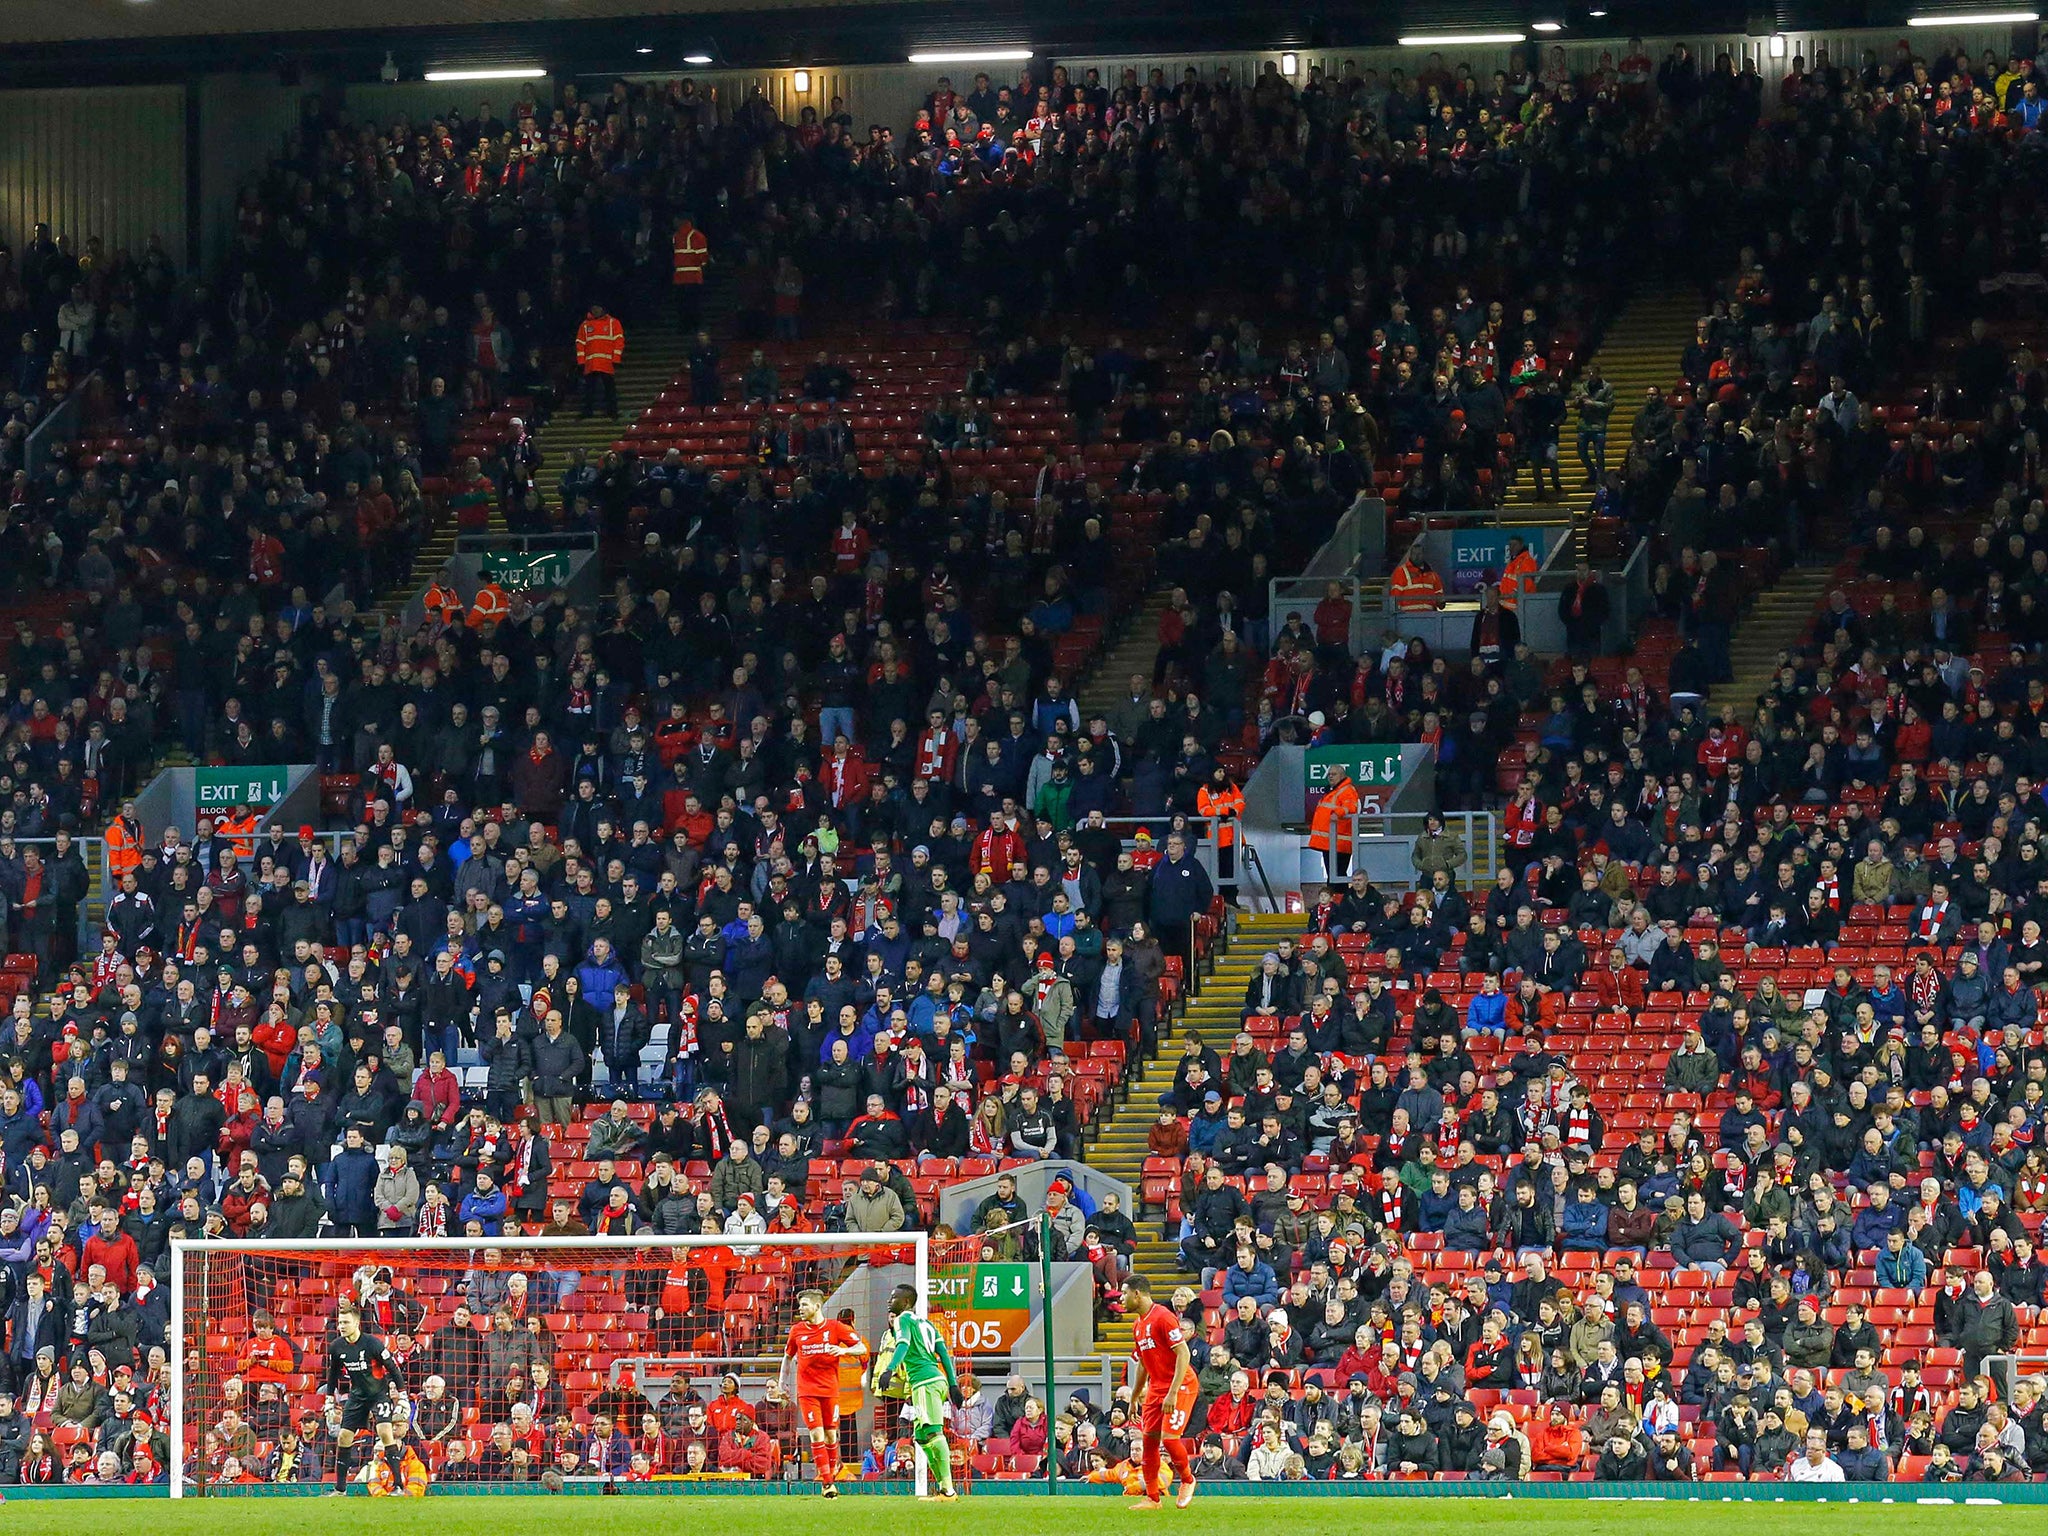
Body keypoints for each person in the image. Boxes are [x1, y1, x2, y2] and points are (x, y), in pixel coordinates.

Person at [871, 1282, 960, 1499]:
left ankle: (948, 1489)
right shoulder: (928, 1324)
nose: (889, 1301)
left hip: (924, 1382)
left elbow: (903, 1343)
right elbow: (944, 1354)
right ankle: (943, 1488)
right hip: (936, 1381)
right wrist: (953, 1384)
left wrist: (889, 1370)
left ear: (906, 1302)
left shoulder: (903, 1319)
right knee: (921, 1437)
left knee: (934, 1433)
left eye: (894, 1298)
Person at [783, 1286, 867, 1494]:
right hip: (807, 1391)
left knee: (831, 1435)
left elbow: (862, 1348)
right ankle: (827, 1483)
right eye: (799, 1305)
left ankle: (832, 1474)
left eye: (804, 1305)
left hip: (830, 1391)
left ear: (817, 1306)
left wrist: (843, 1349)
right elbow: (787, 1357)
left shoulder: (835, 1328)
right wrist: (782, 1380)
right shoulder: (797, 1331)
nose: (800, 1309)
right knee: (816, 1433)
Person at [1125, 1271, 1198, 1510]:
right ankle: (1153, 1499)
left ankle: (1187, 1480)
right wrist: (1135, 1395)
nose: (1122, 1299)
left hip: (1181, 1384)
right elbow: (1143, 1363)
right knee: (1149, 1441)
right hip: (1156, 1387)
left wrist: (1173, 1392)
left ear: (1137, 1294)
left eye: (1125, 1294)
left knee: (1169, 1438)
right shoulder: (1138, 1324)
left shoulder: (1163, 1317)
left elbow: (1183, 1354)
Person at [322, 1303, 409, 1496]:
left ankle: (398, 1486)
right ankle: (340, 1489)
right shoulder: (336, 1347)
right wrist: (329, 1399)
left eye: (346, 1322)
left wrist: (402, 1396)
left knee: (384, 1431)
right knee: (344, 1436)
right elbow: (332, 1375)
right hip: (357, 1396)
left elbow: (393, 1368)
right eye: (340, 1322)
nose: (342, 1326)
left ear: (357, 1323)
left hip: (379, 1394)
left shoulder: (372, 1343)